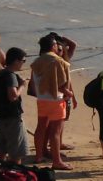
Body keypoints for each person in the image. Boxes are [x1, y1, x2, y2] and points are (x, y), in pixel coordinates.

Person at [30, 34, 73, 169]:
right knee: (55, 131)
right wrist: (69, 93)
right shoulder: (57, 61)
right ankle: (57, 161)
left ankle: (38, 156)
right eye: (55, 45)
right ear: (53, 46)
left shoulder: (37, 61)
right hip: (56, 100)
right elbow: (60, 85)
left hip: (42, 99)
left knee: (40, 127)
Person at [0, 47, 29, 164]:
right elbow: (13, 96)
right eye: (23, 61)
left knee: (0, 153)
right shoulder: (10, 76)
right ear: (16, 61)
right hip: (12, 118)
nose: (23, 63)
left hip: (0, 116)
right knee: (16, 154)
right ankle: (13, 176)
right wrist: (22, 85)